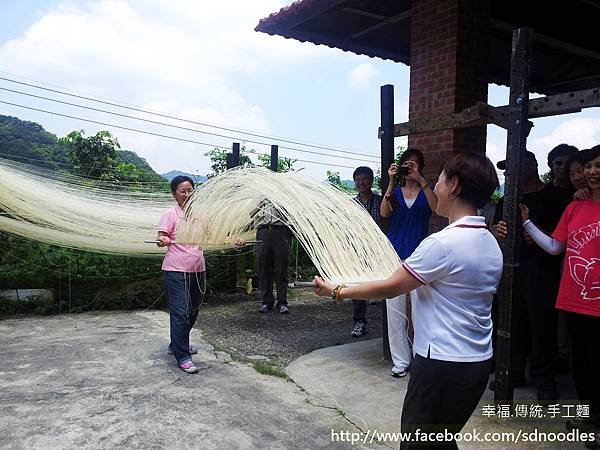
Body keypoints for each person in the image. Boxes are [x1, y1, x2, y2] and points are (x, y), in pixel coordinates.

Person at [315, 151, 502, 449]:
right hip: (477, 365)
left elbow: (390, 288)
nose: (436, 184)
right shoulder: (489, 242)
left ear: (453, 185)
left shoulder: (442, 244)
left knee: (417, 444)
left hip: (441, 364)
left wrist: (337, 290)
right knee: (442, 440)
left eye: (439, 179)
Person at [520, 146, 600, 448]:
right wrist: (527, 222)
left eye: (597, 166)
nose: (591, 172)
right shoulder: (574, 207)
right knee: (583, 362)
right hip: (575, 298)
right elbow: (555, 247)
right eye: (587, 166)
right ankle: (591, 420)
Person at [491, 150, 572, 399]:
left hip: (543, 269)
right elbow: (495, 232)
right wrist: (497, 231)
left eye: (515, 165)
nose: (510, 172)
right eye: (506, 169)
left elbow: (562, 237)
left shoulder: (555, 196)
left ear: (532, 165)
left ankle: (544, 380)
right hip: (512, 268)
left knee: (542, 325)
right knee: (511, 322)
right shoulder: (505, 201)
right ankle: (513, 372)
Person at [380, 148, 437, 378]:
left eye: (414, 164)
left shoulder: (426, 191)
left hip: (420, 257)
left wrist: (421, 180)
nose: (410, 168)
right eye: (407, 164)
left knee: (422, 310)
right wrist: (391, 181)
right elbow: (384, 212)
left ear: (420, 167)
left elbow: (438, 209)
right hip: (394, 256)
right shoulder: (396, 192)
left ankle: (422, 358)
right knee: (394, 312)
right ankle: (401, 361)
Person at [157, 175, 206, 374]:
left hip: (198, 270)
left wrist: (235, 239)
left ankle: (176, 344)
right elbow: (161, 236)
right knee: (181, 313)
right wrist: (164, 239)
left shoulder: (201, 215)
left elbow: (216, 234)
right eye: (182, 191)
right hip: (176, 271)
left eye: (190, 190)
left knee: (193, 310)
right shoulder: (170, 214)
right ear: (174, 194)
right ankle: (183, 356)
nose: (187, 194)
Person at [350, 166, 386, 338]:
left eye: (364, 179)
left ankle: (388, 324)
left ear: (371, 180)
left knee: (382, 284)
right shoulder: (351, 204)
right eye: (357, 179)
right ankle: (359, 322)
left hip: (379, 249)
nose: (360, 182)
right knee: (358, 285)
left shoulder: (380, 201)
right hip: (358, 249)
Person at [252, 199, 290, 314]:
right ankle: (266, 302)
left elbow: (290, 214)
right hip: (263, 232)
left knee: (281, 269)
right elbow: (251, 214)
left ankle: (282, 302)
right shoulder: (256, 196)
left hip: (280, 231)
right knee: (264, 269)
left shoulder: (283, 194)